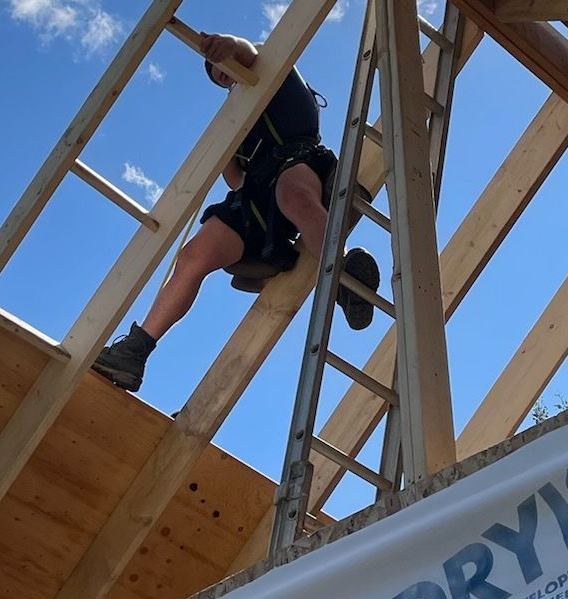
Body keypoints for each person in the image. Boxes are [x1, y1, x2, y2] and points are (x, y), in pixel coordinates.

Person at [92, 32, 380, 393]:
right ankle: (134, 352)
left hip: (297, 159)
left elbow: (249, 51)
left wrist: (228, 46)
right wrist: (227, 155)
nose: (224, 75)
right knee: (193, 256)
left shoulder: (275, 70)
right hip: (255, 195)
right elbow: (236, 180)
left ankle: (347, 279)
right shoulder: (234, 118)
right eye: (218, 77)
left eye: (223, 68)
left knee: (294, 196)